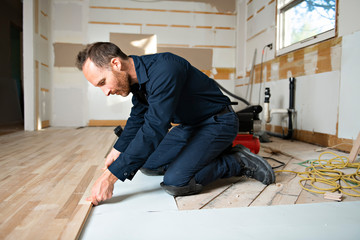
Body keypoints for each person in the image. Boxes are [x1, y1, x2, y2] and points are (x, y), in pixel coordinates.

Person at [76, 42, 275, 206]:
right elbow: (138, 117)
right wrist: (118, 149)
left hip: (218, 122)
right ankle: (201, 156)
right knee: (147, 164)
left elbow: (154, 128)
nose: (106, 92)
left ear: (116, 64)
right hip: (190, 126)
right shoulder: (137, 80)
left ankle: (236, 161)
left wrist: (110, 177)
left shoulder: (164, 69)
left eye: (103, 82)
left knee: (176, 183)